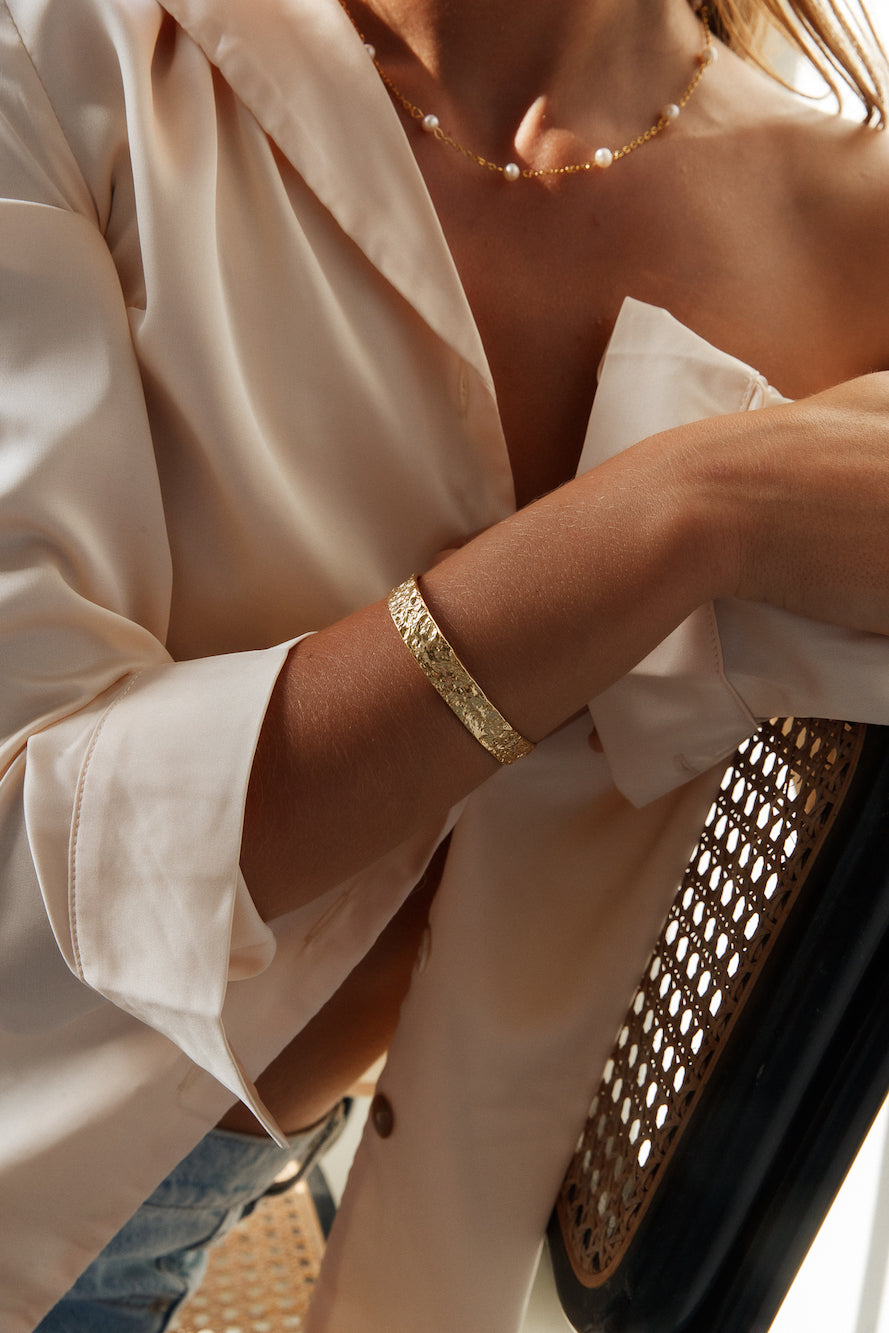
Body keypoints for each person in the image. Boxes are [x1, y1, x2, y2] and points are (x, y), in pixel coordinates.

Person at [2, 0, 889, 1327]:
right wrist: (684, 514)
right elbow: (27, 849)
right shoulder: (71, 50)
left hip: (307, 1212)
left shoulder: (855, 236)